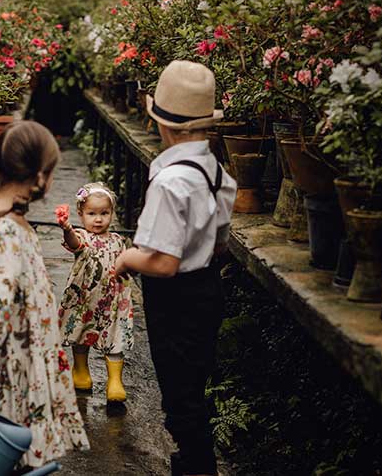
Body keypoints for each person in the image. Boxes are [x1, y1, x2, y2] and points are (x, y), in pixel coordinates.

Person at [114, 60, 237, 476]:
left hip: (176, 298)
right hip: (206, 290)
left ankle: (198, 467)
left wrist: (127, 258)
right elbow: (219, 242)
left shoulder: (169, 182)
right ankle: (191, 459)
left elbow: (163, 263)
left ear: (162, 124)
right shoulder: (218, 172)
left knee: (180, 395)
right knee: (194, 382)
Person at [0, 121, 89, 469]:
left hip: (25, 357)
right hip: (13, 367)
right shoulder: (6, 229)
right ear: (39, 178)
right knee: (10, 452)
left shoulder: (6, 219)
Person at [56, 182, 136, 403]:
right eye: (92, 213)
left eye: (104, 213)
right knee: (81, 332)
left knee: (115, 336)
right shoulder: (82, 237)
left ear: (112, 213)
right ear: (81, 215)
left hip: (112, 302)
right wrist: (67, 228)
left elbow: (125, 262)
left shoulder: (118, 240)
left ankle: (115, 381)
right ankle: (81, 370)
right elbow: (73, 244)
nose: (98, 219)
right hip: (84, 299)